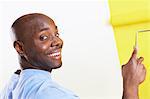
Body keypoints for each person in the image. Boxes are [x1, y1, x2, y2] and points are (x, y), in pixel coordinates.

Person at [0, 13, 146, 99]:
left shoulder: (13, 85)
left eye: (56, 34)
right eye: (44, 37)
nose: (57, 41)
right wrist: (131, 85)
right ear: (20, 47)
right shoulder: (50, 94)